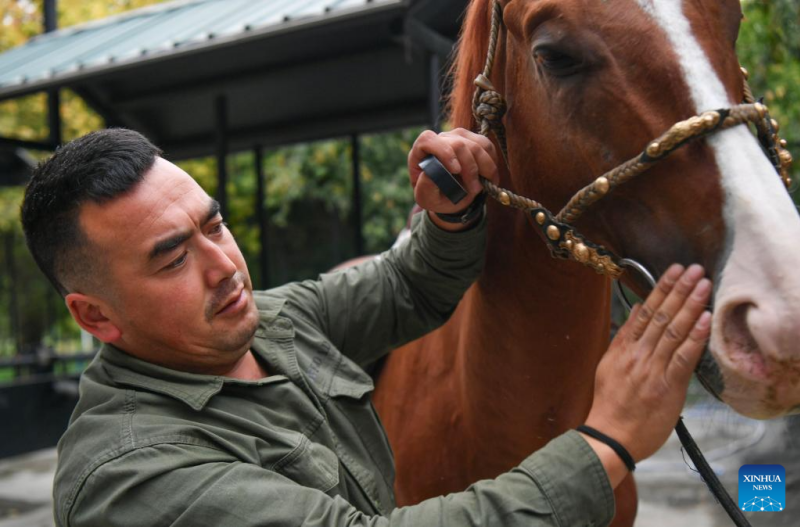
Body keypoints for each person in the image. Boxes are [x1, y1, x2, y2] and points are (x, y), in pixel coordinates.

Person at [21, 127, 712, 527]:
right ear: (94, 315)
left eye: (215, 225)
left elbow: (404, 284)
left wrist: (449, 214)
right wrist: (609, 439)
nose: (224, 266)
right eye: (173, 258)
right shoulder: (129, 474)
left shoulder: (274, 322)